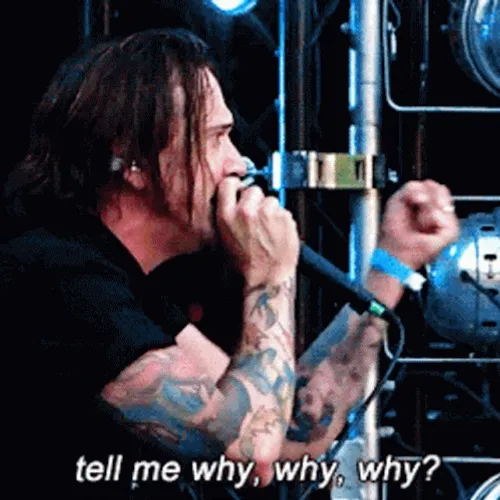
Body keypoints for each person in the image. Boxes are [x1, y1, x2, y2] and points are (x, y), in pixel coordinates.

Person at [1, 28, 459, 499]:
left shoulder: (126, 285)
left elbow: (290, 432)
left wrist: (391, 266)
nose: (239, 164)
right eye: (217, 137)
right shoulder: (54, 277)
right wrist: (270, 276)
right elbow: (251, 451)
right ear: (133, 159)